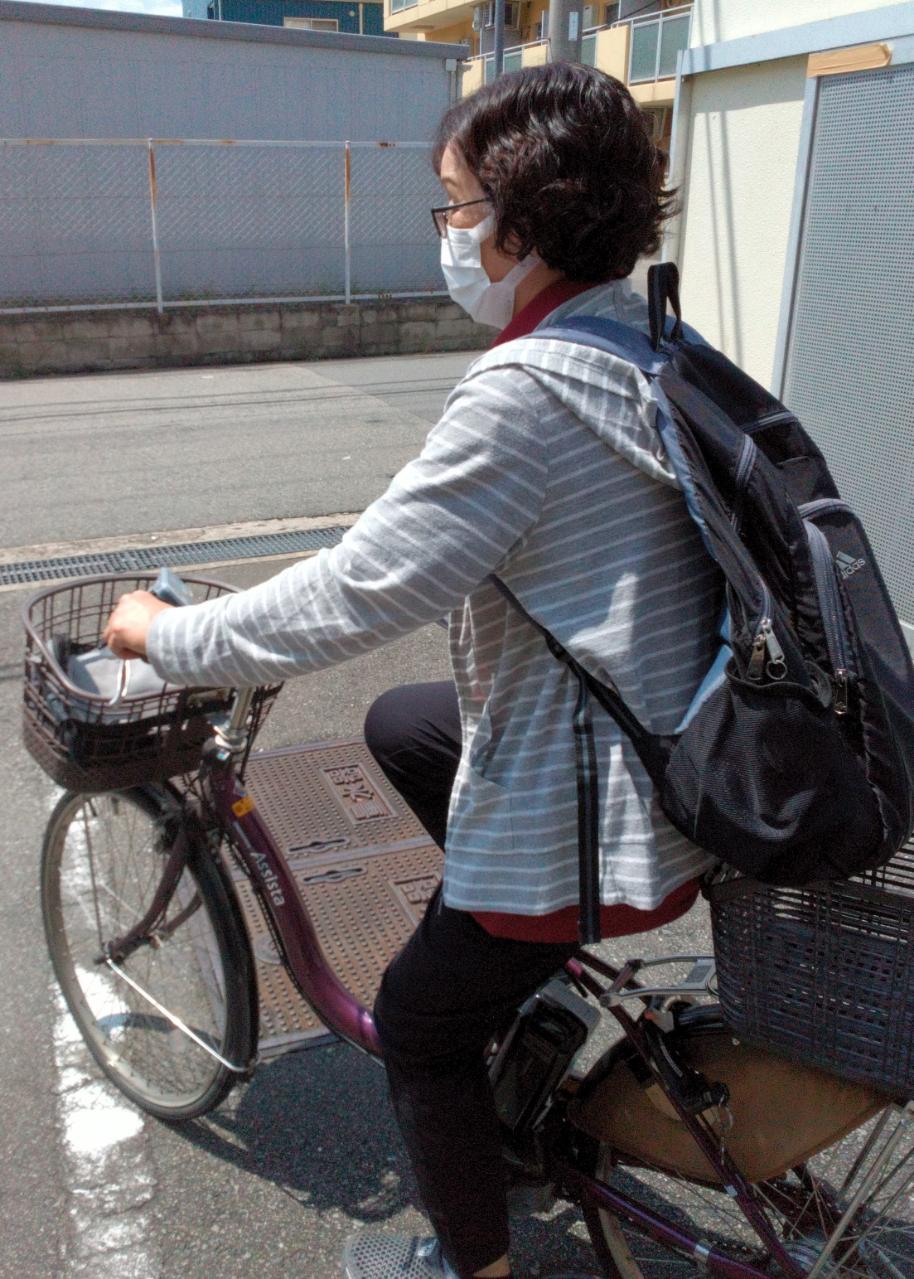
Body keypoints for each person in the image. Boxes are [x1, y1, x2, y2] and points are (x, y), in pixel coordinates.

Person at [104, 63, 718, 1279]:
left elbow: (350, 594)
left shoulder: (524, 396)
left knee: (420, 1027)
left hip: (606, 808)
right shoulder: (650, 340)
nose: (447, 233)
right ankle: (535, 976)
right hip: (682, 744)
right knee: (400, 724)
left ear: (520, 223)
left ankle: (467, 1261)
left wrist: (158, 635)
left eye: (456, 206)